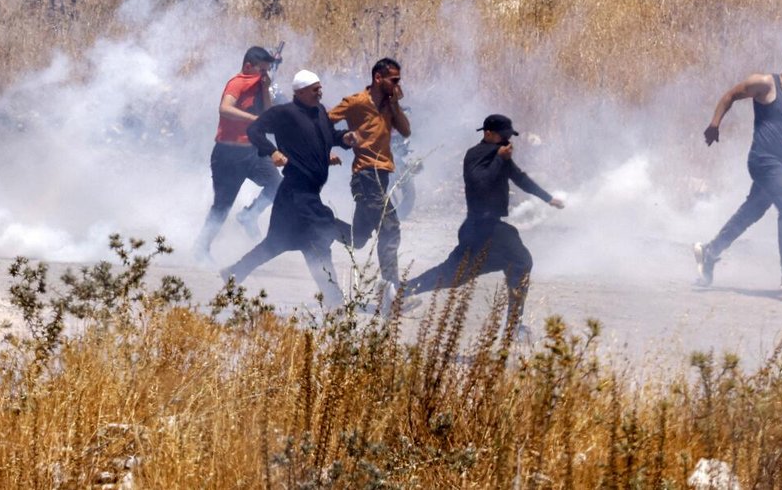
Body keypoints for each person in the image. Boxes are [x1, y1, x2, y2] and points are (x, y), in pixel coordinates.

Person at [401, 115, 564, 338]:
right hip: (480, 226)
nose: (506, 141)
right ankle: (513, 328)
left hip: (487, 227)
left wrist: (548, 198)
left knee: (457, 274)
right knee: (520, 261)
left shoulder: (500, 155)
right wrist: (499, 159)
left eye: (508, 137)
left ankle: (401, 291)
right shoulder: (476, 155)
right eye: (503, 136)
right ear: (488, 134)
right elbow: (480, 182)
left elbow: (520, 179)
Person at [693, 45, 782, 293]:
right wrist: (714, 124)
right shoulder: (766, 84)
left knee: (751, 212)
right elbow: (730, 96)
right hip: (763, 160)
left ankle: (710, 251)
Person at [220, 70, 355, 307]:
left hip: (306, 193)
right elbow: (254, 130)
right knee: (324, 227)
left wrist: (343, 139)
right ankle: (358, 237)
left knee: (287, 245)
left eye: (320, 88)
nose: (320, 92)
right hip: (295, 193)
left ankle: (235, 271)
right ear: (300, 92)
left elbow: (327, 136)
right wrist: (272, 152)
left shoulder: (320, 112)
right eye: (315, 89)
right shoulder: (284, 113)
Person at [328, 58, 412, 309]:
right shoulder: (356, 102)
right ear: (378, 78)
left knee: (359, 238)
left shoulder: (389, 104)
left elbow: (406, 131)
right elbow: (324, 122)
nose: (397, 84)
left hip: (381, 176)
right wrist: (332, 145)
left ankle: (319, 223)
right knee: (390, 227)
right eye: (393, 80)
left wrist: (395, 104)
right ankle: (392, 293)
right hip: (365, 176)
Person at [193, 46, 282, 263]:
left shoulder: (260, 85)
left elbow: (268, 114)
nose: (265, 74)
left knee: (278, 186)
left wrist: (265, 88)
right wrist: (253, 120)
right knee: (222, 206)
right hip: (228, 155)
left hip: (253, 151)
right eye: (262, 70)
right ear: (248, 66)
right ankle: (201, 248)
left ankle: (250, 215)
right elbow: (225, 108)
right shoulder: (237, 82)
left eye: (267, 70)